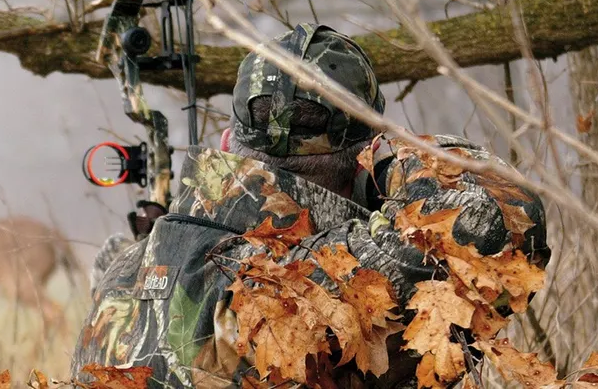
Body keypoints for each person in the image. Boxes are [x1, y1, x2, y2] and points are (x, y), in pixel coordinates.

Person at [71, 23, 550, 388]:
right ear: (364, 159)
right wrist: (391, 159)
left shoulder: (120, 278)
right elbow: (498, 212)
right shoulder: (300, 290)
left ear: (227, 142)